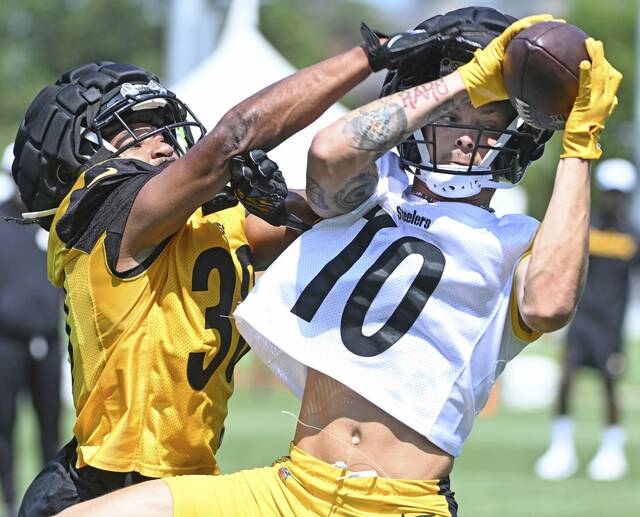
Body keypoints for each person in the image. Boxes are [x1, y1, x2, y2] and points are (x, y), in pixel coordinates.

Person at [54, 6, 622, 516]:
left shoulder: (517, 238)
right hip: (292, 486)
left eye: (488, 124)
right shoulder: (373, 192)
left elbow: (548, 305)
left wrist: (581, 143)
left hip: (402, 502)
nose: (469, 138)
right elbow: (329, 150)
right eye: (459, 117)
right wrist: (466, 81)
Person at [10, 28, 438, 515]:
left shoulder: (205, 221)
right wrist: (375, 54)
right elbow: (233, 138)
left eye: (161, 124)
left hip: (188, 486)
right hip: (107, 487)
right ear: (75, 162)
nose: (162, 143)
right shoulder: (99, 212)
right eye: (130, 130)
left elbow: (338, 213)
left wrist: (426, 101)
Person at [535, 158, 638, 482]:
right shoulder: (586, 228)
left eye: (619, 193)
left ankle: (612, 449)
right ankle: (560, 447)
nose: (614, 198)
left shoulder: (632, 235)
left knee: (609, 385)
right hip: (580, 320)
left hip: (611, 325)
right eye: (609, 192)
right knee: (566, 380)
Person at [0, 143, 63, 517]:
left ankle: (53, 502)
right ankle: (9, 500)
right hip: (6, 345)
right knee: (4, 426)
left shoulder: (50, 223)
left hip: (49, 342)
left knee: (51, 428)